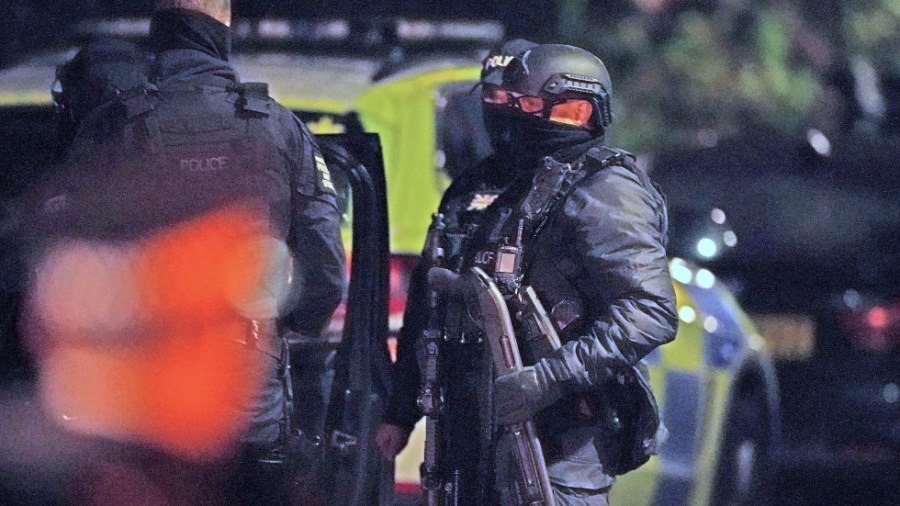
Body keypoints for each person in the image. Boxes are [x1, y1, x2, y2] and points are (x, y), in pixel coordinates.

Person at [20, 1, 345, 504]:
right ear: (222, 35)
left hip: (134, 399)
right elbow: (325, 270)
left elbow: (58, 264)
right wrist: (280, 332)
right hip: (247, 386)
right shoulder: (278, 128)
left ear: (160, 35)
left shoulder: (114, 124)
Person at [375, 39, 677, 505]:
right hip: (466, 443)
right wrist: (401, 410)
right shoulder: (480, 187)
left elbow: (650, 310)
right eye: (499, 102)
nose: (509, 115)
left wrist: (548, 379)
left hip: (553, 450)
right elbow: (431, 303)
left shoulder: (604, 189)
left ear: (576, 110)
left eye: (528, 104)